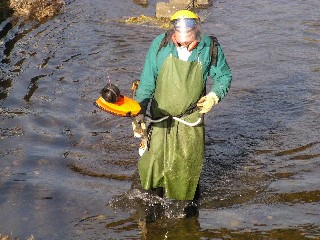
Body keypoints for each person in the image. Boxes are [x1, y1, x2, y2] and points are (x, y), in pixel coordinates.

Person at [133, 10, 232, 201]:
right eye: (181, 40)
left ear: (196, 30)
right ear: (173, 33)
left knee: (187, 167)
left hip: (190, 121)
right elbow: (146, 83)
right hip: (159, 118)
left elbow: (224, 76)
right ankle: (150, 212)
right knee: (152, 165)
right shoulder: (159, 45)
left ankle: (186, 212)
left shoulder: (209, 47)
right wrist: (139, 112)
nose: (186, 44)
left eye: (190, 40)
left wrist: (213, 96)